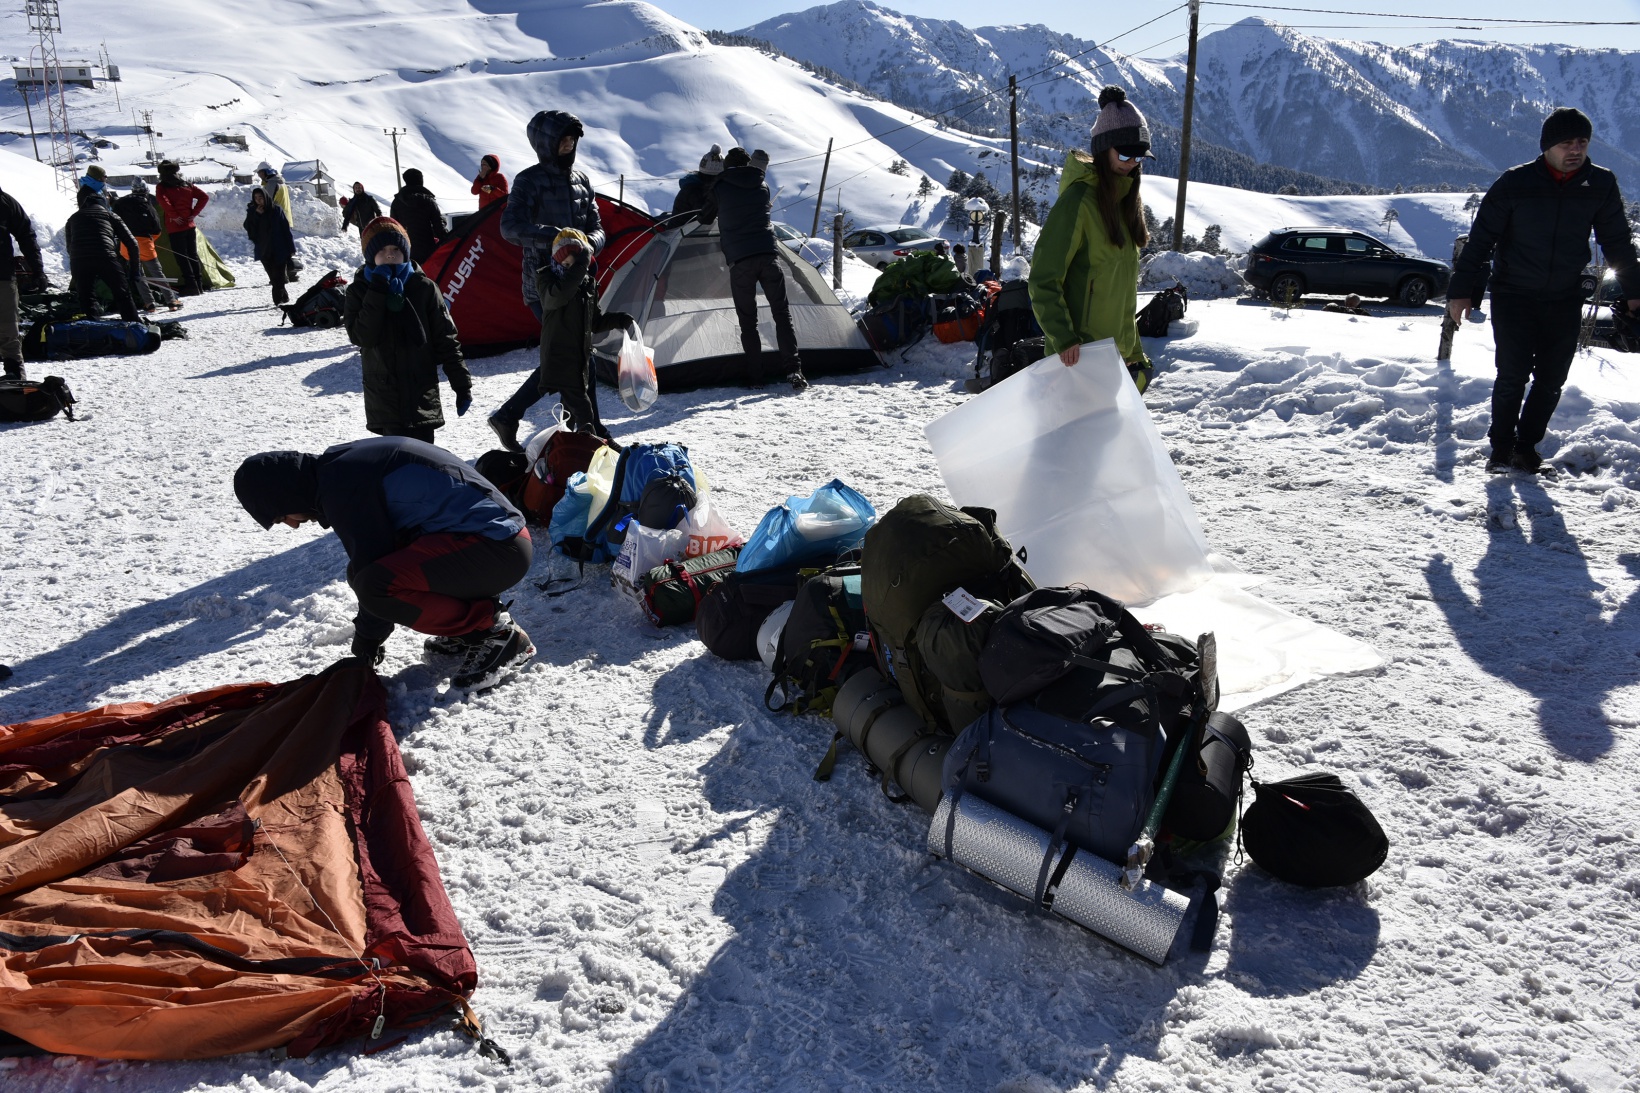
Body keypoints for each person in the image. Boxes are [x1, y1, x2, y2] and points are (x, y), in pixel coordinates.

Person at [233, 437, 536, 693]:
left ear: (285, 495)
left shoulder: (342, 487)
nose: (292, 526)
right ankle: (470, 626)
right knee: (367, 576)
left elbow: (374, 572)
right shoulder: (339, 468)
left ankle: (493, 631)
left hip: (497, 549)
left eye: (280, 516)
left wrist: (365, 645)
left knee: (376, 585)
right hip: (495, 542)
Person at [1449, 106, 1640, 474]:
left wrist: (1635, 291)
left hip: (1565, 296)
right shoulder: (1516, 182)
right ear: (1548, 146)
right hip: (1514, 294)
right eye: (1567, 142)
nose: (1576, 149)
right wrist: (1462, 291)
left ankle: (1526, 447)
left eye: (1582, 142)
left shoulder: (1600, 183)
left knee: (1552, 379)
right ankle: (1501, 448)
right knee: (1512, 375)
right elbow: (1481, 240)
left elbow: (1616, 241)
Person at [491, 109, 610, 451]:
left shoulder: (582, 181)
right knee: (573, 356)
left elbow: (598, 227)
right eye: (562, 139)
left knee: (571, 355)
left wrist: (588, 243)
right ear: (546, 143)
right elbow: (509, 228)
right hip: (545, 287)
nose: (568, 145)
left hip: (580, 285)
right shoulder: (529, 181)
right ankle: (588, 429)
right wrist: (556, 238)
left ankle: (512, 417)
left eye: (572, 140)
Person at [1028, 85, 1154, 392]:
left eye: (1140, 156)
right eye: (1125, 153)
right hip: (1076, 360)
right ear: (1102, 149)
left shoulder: (1124, 206)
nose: (1133, 162)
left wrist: (1133, 352)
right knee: (1067, 439)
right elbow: (1043, 278)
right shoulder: (1078, 203)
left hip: (1111, 359)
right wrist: (1064, 337)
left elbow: (1120, 296)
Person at [344, 217, 473, 445]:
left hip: (421, 390)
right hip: (384, 395)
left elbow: (446, 338)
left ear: (406, 251)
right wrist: (378, 289)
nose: (390, 254)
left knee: (423, 459)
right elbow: (362, 336)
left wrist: (461, 384)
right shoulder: (359, 291)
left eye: (395, 248)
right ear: (370, 255)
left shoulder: (423, 287)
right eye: (382, 250)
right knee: (396, 462)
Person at [711, 146, 807, 390]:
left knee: (748, 321)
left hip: (740, 260)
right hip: (767, 255)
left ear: (727, 166)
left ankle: (756, 378)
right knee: (781, 314)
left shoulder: (720, 187)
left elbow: (705, 216)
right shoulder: (762, 186)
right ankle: (794, 371)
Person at [64, 185, 142, 323]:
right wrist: (135, 271)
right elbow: (133, 244)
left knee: (86, 297)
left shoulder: (73, 218)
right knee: (122, 294)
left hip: (79, 260)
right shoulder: (110, 215)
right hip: (105, 256)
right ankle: (133, 327)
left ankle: (93, 331)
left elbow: (70, 247)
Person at [0, 182, 47, 380]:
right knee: (8, 330)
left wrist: (38, 269)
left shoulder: (5, 202)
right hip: (3, 276)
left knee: (8, 329)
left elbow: (26, 234)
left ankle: (16, 378)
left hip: (2, 276)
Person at [112, 179, 179, 311]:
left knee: (138, 274)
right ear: (146, 191)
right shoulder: (147, 204)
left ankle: (149, 304)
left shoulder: (120, 203)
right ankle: (171, 301)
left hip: (126, 246)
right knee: (157, 273)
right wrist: (150, 240)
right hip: (145, 245)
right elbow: (157, 229)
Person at [155, 160, 209, 296]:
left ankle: (191, 286)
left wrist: (173, 215)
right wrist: (193, 213)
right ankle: (199, 284)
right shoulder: (186, 185)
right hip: (189, 225)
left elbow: (163, 201)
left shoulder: (162, 186)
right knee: (192, 255)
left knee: (182, 257)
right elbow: (204, 197)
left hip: (175, 226)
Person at [243, 187, 297, 307]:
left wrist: (291, 248)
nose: (258, 201)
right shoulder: (252, 211)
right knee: (273, 277)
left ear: (266, 197)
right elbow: (249, 227)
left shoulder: (276, 210)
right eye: (256, 198)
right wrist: (257, 215)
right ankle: (284, 296)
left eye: (260, 197)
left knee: (279, 276)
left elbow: (285, 229)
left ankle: (277, 301)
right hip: (264, 249)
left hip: (280, 248)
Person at [389, 168, 447, 265]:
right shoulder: (428, 200)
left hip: (406, 250)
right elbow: (439, 228)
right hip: (428, 249)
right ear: (420, 180)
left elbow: (394, 227)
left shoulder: (397, 202)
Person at [671, 144, 723, 224]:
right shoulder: (694, 191)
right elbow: (706, 219)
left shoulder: (693, 185)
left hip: (688, 233)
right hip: (680, 234)